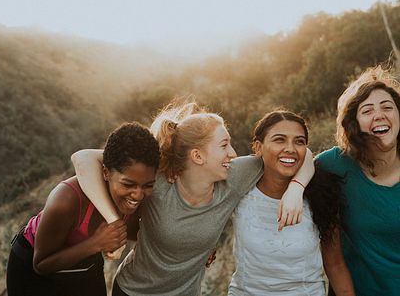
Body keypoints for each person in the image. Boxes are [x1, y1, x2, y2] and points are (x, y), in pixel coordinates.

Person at [72, 102, 313, 296]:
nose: (233, 153)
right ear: (197, 156)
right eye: (224, 145)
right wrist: (114, 222)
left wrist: (296, 188)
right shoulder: (158, 180)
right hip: (133, 291)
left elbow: (301, 153)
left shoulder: (235, 176)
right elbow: (83, 158)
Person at [6, 122, 160, 296]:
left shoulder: (135, 200)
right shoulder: (66, 200)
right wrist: (97, 243)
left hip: (85, 260)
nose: (138, 195)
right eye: (128, 184)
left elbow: (137, 232)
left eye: (147, 185)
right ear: (106, 173)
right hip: (33, 268)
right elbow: (41, 265)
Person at [228, 110, 354, 296]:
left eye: (299, 141)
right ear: (258, 147)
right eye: (279, 139)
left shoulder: (321, 195)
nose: (290, 148)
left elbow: (335, 265)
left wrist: (296, 188)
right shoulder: (240, 188)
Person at [316, 67, 400, 296]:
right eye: (367, 110)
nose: (379, 115)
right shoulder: (335, 164)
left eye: (387, 107)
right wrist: (296, 188)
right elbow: (298, 160)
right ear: (354, 123)